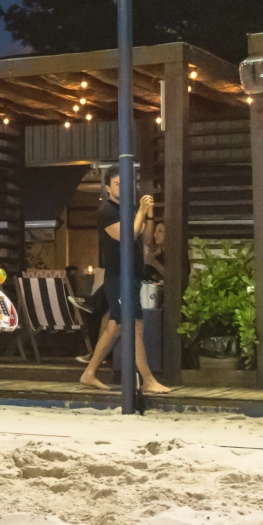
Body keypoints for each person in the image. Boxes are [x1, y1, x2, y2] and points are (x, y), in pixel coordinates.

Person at [78, 165, 171, 393]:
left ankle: (89, 373)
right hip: (119, 276)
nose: (123, 187)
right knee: (135, 325)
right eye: (118, 183)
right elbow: (127, 236)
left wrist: (147, 212)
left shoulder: (129, 208)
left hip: (132, 275)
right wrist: (139, 212)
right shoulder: (106, 210)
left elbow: (144, 238)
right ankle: (148, 380)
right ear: (108, 187)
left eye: (126, 183)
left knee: (115, 328)